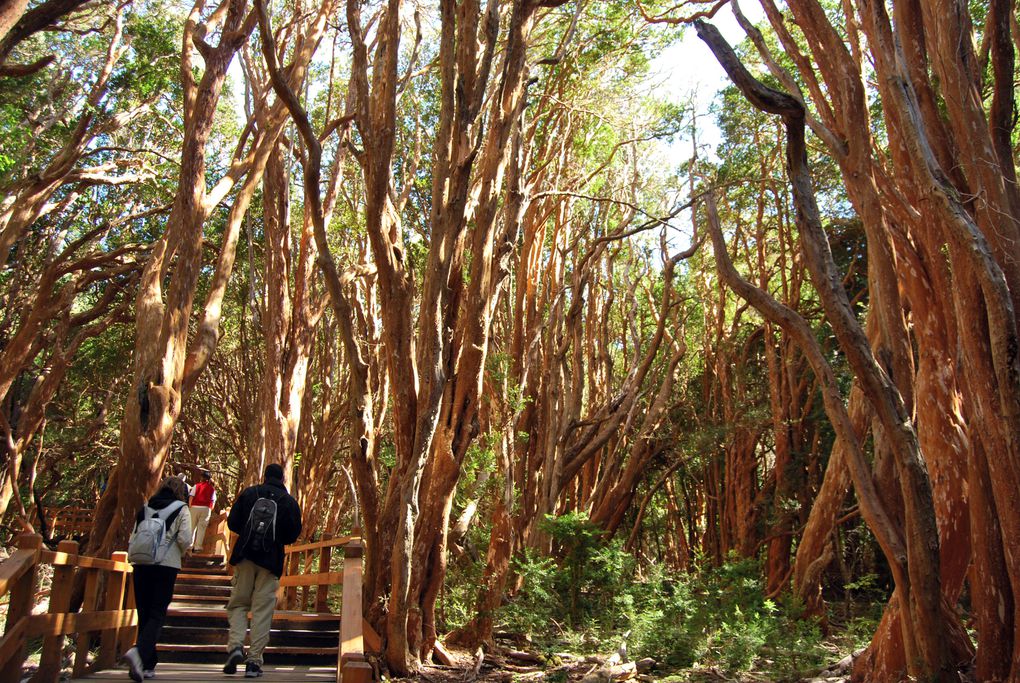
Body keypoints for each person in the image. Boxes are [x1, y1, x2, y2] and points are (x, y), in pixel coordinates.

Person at [223, 463, 302, 678]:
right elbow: (293, 534)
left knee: (238, 603)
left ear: (265, 476)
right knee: (262, 611)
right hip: (271, 562)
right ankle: (254, 662)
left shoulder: (250, 493)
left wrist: (250, 533)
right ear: (283, 478)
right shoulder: (288, 502)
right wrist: (274, 540)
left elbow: (232, 523)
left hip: (245, 556)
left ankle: (236, 646)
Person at [122, 476, 192, 681]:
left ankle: (146, 663)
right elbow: (185, 539)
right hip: (166, 565)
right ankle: (138, 652)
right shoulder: (181, 509)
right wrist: (183, 550)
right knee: (157, 613)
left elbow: (133, 536)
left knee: (144, 612)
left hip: (141, 563)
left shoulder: (145, 507)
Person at [189, 469, 216, 551]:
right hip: (206, 509)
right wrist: (210, 509)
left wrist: (190, 506)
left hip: (194, 507)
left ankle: (189, 545)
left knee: (192, 526)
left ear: (202, 478)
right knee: (202, 528)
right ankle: (198, 547)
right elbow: (213, 501)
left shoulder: (196, 486)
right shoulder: (212, 489)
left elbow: (191, 497)